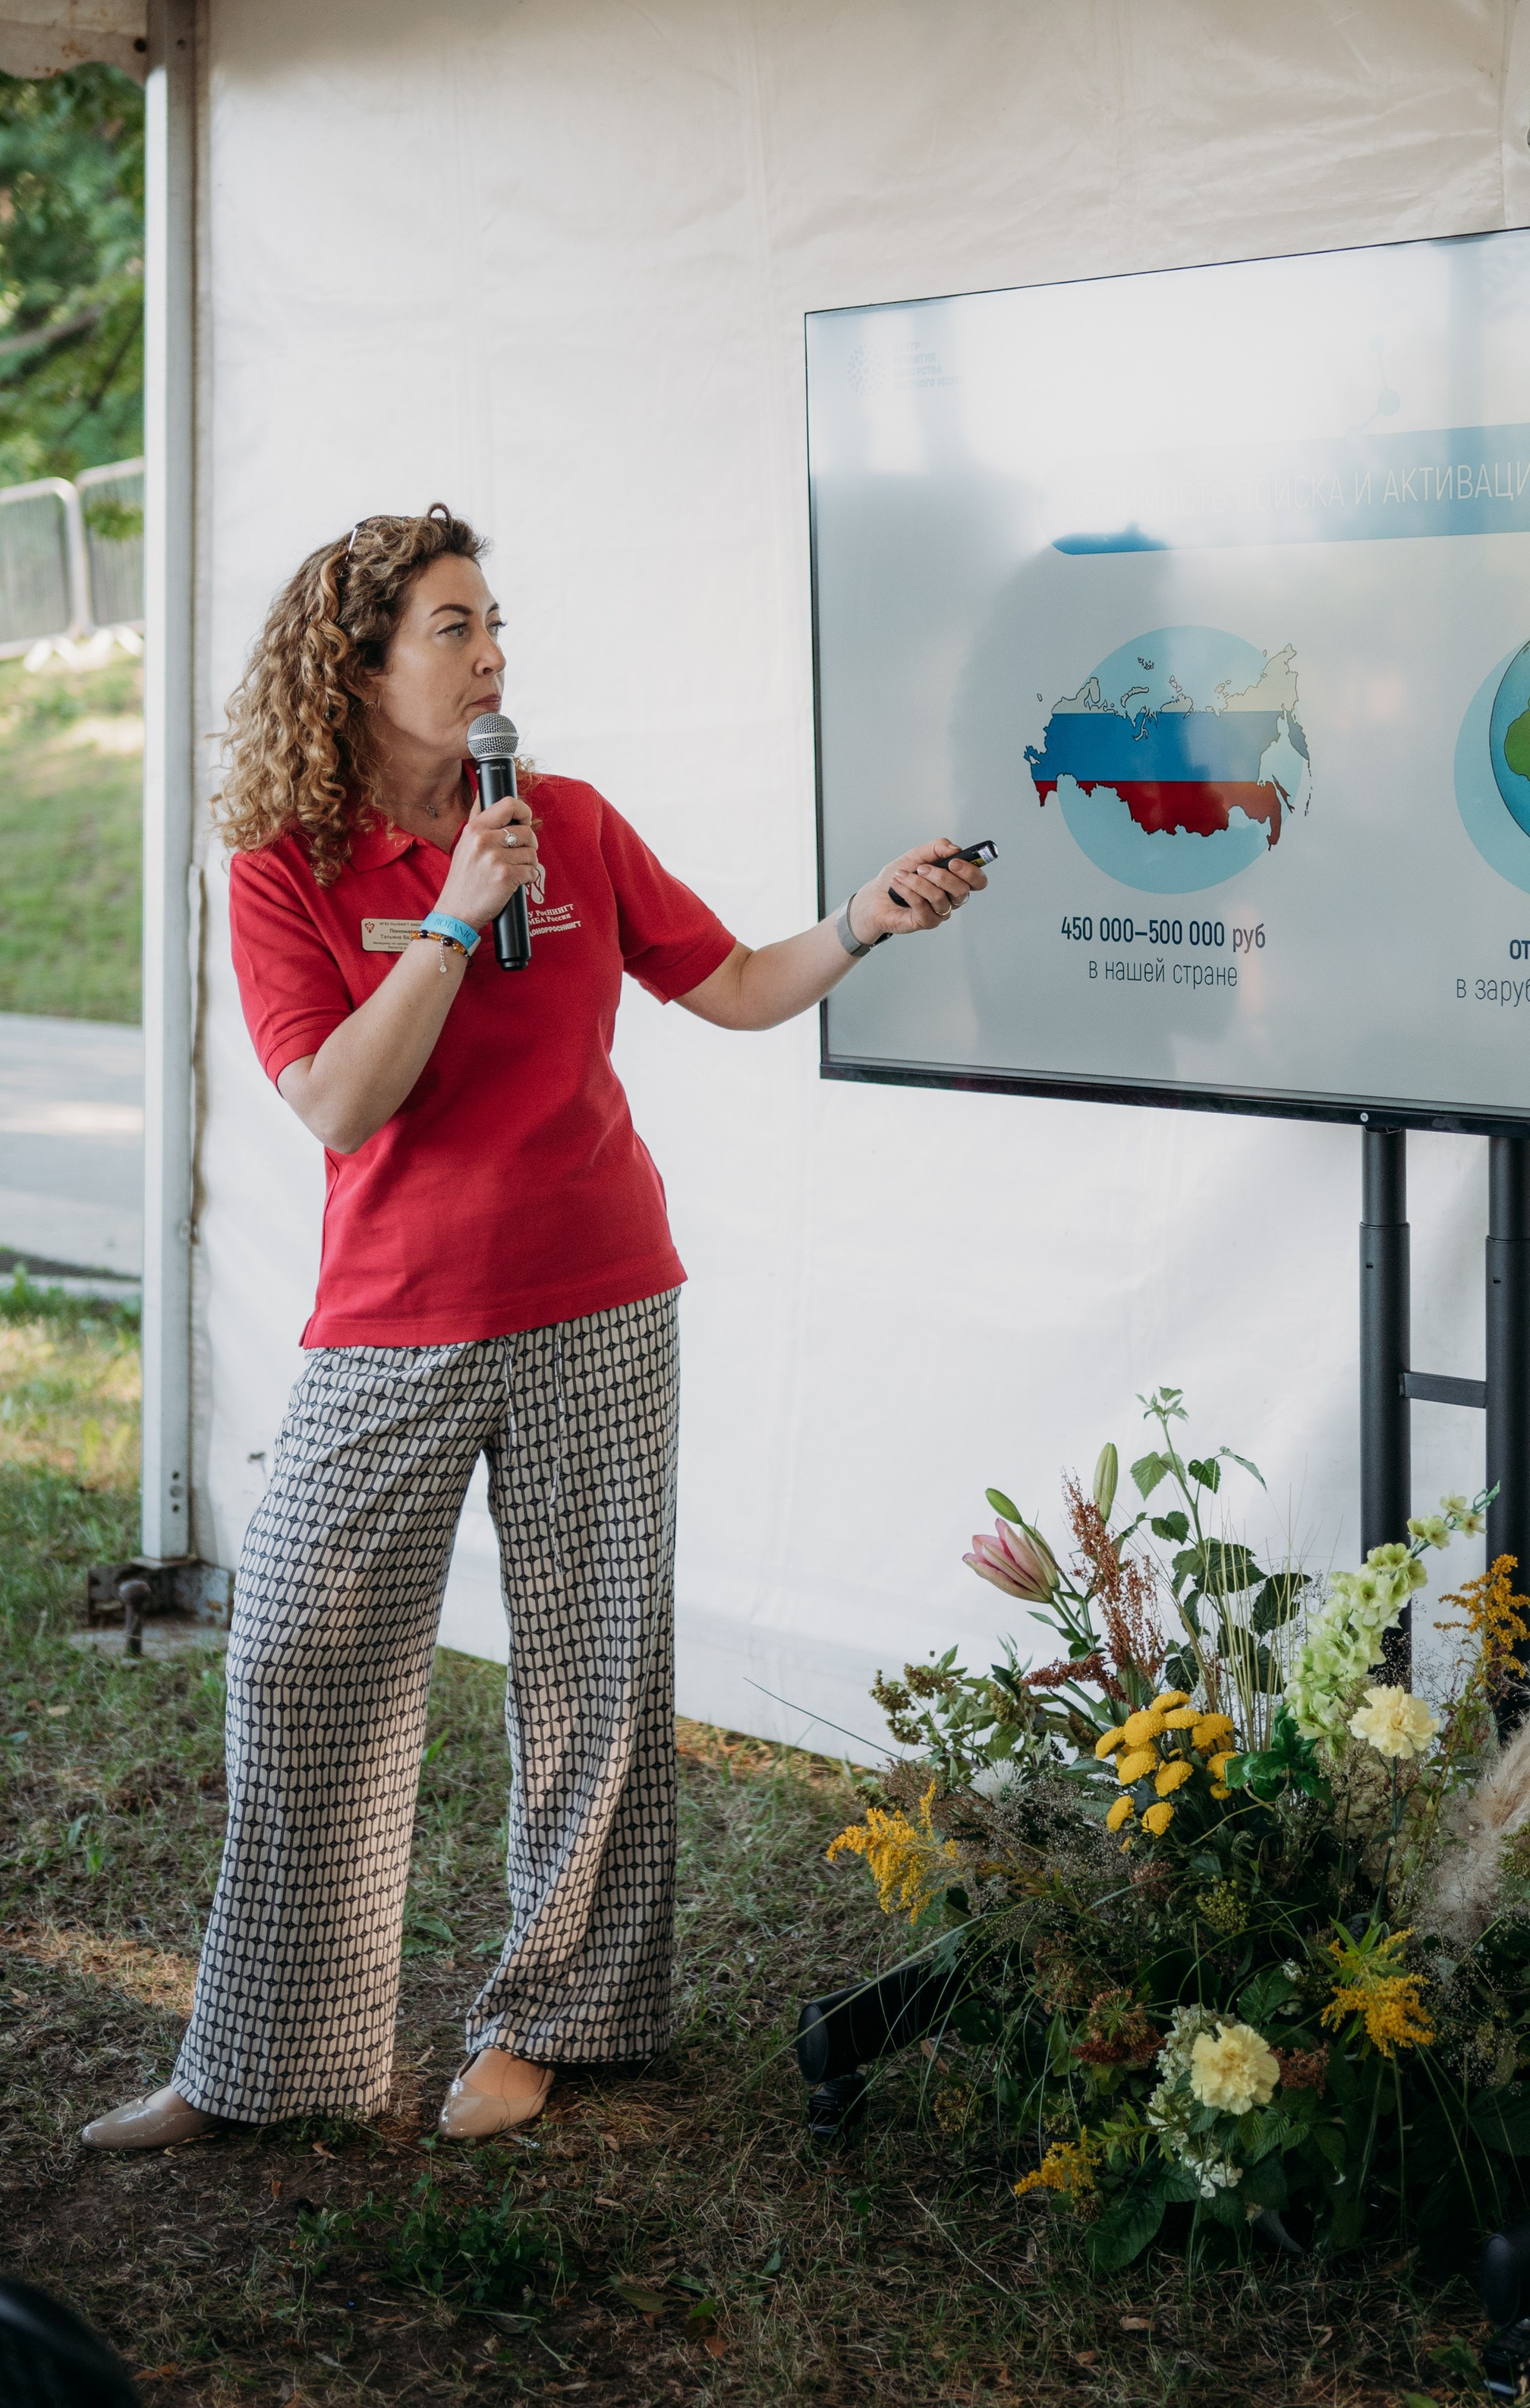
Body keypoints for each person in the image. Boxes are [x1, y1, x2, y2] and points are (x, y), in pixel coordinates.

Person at [80, 504, 987, 2152]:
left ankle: (555, 2019)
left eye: (493, 623)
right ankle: (265, 2064)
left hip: (599, 1299)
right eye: (451, 627)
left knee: (588, 1679)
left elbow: (730, 985)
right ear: (354, 665)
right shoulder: (287, 862)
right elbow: (339, 1103)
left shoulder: (564, 819)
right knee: (297, 1657)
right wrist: (445, 923)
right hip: (395, 1316)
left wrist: (863, 917)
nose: (492, 655)